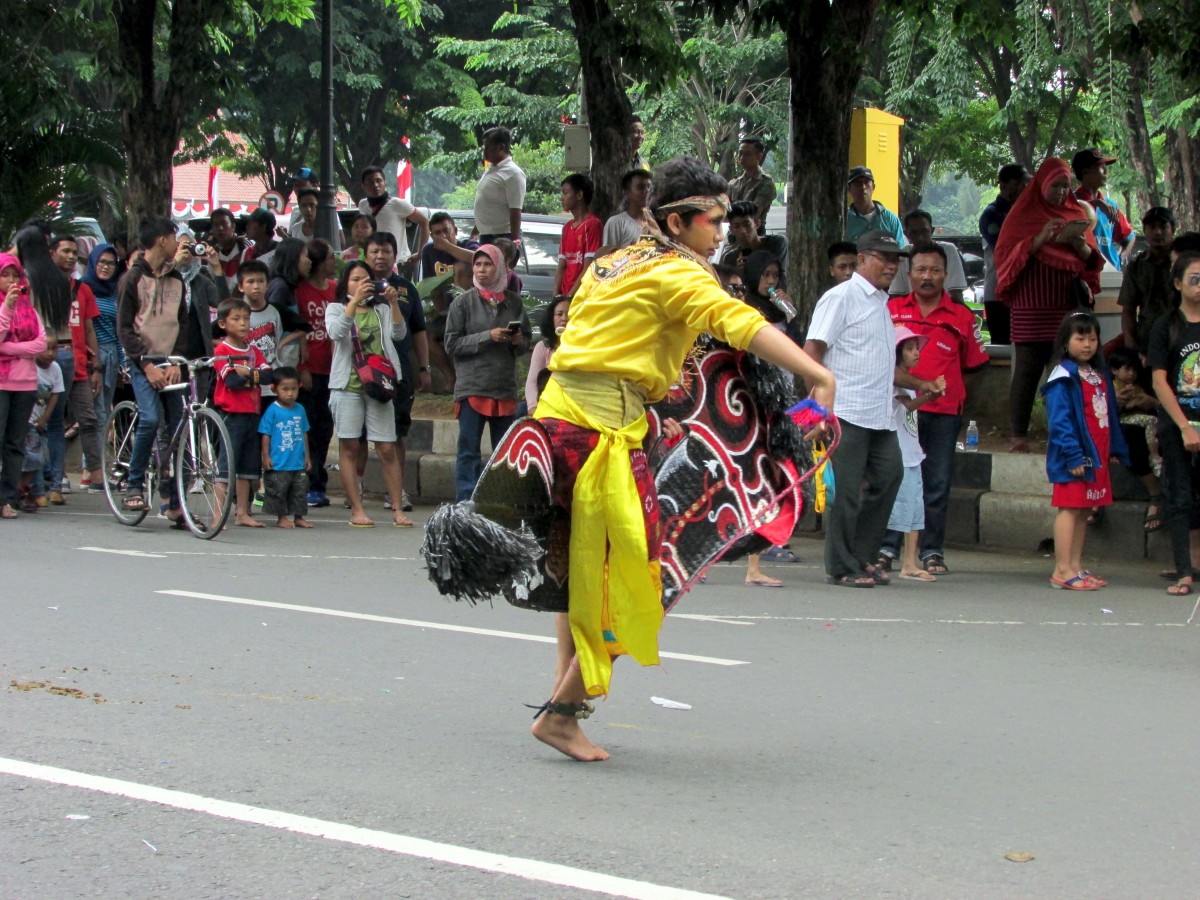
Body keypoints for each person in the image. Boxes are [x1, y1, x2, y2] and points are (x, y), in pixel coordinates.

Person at [527, 156, 834, 761]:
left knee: (578, 573)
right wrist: (816, 373)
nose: (722, 232)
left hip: (562, 422)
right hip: (600, 436)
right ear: (676, 220)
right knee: (647, 578)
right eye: (713, 220)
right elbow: (739, 324)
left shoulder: (611, 263)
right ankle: (563, 712)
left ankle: (563, 702)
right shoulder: (675, 273)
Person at [804, 230, 914, 588]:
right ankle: (842, 564)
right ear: (863, 258)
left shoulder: (881, 302)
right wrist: (816, 411)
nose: (892, 266)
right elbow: (812, 353)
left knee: (891, 475)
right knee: (846, 491)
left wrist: (919, 383)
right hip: (845, 411)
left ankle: (864, 556)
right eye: (885, 258)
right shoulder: (842, 297)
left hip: (879, 413)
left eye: (896, 260)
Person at [882, 243, 987, 576]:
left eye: (935, 270)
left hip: (943, 412)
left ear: (946, 274)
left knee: (936, 482)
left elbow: (975, 364)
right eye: (921, 270)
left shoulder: (964, 317)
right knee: (893, 478)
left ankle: (931, 551)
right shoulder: (889, 309)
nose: (927, 277)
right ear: (909, 273)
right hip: (898, 412)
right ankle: (887, 547)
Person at [994, 157, 1104, 453]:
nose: (1059, 192)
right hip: (1029, 306)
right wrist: (1039, 239)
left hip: (1065, 307)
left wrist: (1077, 242)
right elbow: (1004, 257)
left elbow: (1092, 260)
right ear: (1041, 185)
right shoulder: (1020, 216)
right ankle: (1018, 435)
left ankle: (1064, 434)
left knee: (1065, 373)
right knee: (1026, 373)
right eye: (1054, 186)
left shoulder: (1075, 212)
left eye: (1065, 186)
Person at [1041, 311, 1128, 591]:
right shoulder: (1063, 376)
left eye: (1092, 338)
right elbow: (1059, 420)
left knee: (1082, 510)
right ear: (1066, 342)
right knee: (1069, 509)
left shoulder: (1096, 374)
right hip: (1074, 456)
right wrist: (1072, 453)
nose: (1088, 344)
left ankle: (1075, 566)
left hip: (1096, 453)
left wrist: (1113, 448)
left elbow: (1108, 415)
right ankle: (1062, 569)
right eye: (1080, 338)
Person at [324, 259, 409, 527]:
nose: (361, 284)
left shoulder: (381, 309)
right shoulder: (336, 308)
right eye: (354, 279)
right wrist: (354, 303)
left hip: (378, 385)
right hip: (346, 385)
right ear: (344, 284)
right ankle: (357, 509)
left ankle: (397, 509)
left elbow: (399, 333)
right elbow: (336, 333)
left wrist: (394, 303)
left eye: (365, 279)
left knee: (386, 447)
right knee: (349, 446)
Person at [115, 215, 189, 521]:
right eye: (174, 237)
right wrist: (145, 364)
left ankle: (174, 498)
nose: (177, 243)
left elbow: (183, 324)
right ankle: (134, 486)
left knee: (178, 426)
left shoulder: (177, 279)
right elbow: (124, 329)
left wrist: (176, 361)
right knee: (150, 419)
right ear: (162, 240)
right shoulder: (132, 280)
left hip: (169, 363)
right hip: (142, 361)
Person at [444, 245, 531, 501]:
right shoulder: (463, 303)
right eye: (478, 265)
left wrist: (517, 341)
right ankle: (465, 502)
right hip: (473, 386)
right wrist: (487, 336)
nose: (482, 270)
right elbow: (451, 344)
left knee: (503, 451)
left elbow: (525, 341)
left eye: (488, 264)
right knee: (469, 449)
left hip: (503, 387)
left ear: (500, 267)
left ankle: (500, 500)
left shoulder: (513, 302)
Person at [365, 231, 429, 515]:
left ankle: (396, 491)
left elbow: (418, 332)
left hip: (398, 373)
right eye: (375, 251)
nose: (380, 256)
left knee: (398, 433)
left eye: (386, 251)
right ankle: (354, 488)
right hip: (361, 373)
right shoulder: (356, 285)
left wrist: (424, 368)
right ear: (366, 254)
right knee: (354, 437)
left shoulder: (406, 290)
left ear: (394, 255)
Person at [1148, 252, 1200, 597]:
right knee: (1179, 496)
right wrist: (1184, 426)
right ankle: (1184, 570)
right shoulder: (1166, 326)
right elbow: (1159, 381)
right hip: (1179, 424)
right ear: (1178, 283)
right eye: (1194, 278)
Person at [886, 325, 943, 582]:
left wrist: (928, 396)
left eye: (916, 348)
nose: (916, 353)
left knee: (915, 509)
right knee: (903, 506)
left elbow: (910, 406)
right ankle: (904, 560)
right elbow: (908, 405)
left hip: (912, 453)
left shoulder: (909, 383)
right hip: (901, 454)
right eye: (909, 349)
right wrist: (928, 393)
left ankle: (909, 560)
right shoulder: (895, 381)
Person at [212, 297, 273, 529]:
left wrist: (246, 371)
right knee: (226, 465)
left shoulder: (254, 350)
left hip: (252, 412)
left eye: (246, 318)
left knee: (248, 467)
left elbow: (269, 376)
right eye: (236, 318)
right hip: (231, 414)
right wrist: (252, 373)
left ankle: (242, 512)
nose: (242, 323)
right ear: (223, 324)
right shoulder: (222, 350)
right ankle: (218, 513)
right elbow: (232, 380)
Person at [0, 253, 48, 519]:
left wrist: (9, 348)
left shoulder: (29, 307)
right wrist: (6, 307)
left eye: (14, 275)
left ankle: (8, 499)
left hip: (25, 383)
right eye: (5, 275)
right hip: (2, 382)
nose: (10, 281)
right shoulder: (6, 305)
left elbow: (41, 344)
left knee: (15, 443)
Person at [295, 239, 337, 508]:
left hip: (334, 370)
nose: (336, 261)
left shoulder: (335, 289)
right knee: (307, 427)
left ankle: (318, 480)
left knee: (325, 428)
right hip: (310, 370)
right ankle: (309, 483)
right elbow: (296, 332)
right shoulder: (300, 291)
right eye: (331, 257)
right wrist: (302, 369)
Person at [420, 211, 480, 393]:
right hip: (445, 310)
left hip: (471, 309)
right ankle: (450, 378)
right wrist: (438, 312)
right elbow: (432, 285)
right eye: (437, 233)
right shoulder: (429, 252)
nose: (443, 236)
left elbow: (479, 257)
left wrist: (447, 247)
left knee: (460, 267)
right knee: (427, 337)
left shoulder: (468, 245)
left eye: (446, 231)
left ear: (455, 230)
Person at [1109, 346, 1162, 533]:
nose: (1131, 374)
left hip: (1150, 429)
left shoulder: (1146, 382)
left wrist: (1151, 402)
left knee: (1150, 425)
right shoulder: (1110, 386)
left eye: (1134, 369)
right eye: (1127, 369)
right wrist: (1116, 403)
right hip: (1123, 429)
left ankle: (1156, 494)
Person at [979, 164, 1031, 346]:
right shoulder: (992, 215)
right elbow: (1005, 250)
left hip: (1025, 291)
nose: (1024, 188)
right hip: (998, 292)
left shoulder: (1028, 211)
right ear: (1003, 185)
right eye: (1020, 183)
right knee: (1003, 347)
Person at [175, 234, 228, 403]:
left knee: (197, 407)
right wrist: (174, 264)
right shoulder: (162, 279)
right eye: (182, 246)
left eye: (190, 246)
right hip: (171, 355)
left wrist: (216, 266)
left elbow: (224, 304)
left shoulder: (200, 281)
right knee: (175, 410)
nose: (187, 251)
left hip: (198, 355)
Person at [259, 365, 313, 529]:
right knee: (279, 490)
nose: (290, 393)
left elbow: (304, 433)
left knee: (300, 490)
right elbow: (265, 435)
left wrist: (307, 456)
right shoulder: (272, 410)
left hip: (297, 460)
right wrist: (266, 456)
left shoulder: (300, 409)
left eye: (294, 389)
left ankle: (299, 516)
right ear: (274, 389)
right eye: (285, 389)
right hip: (279, 461)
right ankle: (281, 517)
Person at [1120, 207, 1177, 357]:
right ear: (1145, 230)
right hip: (1147, 340)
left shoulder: (1184, 263)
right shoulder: (1137, 265)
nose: (1158, 232)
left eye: (1163, 226)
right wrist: (1131, 347)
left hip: (1181, 337)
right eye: (1152, 227)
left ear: (1173, 229)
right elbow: (1128, 310)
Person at [80, 244, 123, 440]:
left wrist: (123, 361)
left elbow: (119, 330)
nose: (106, 267)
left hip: (112, 354)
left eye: (111, 263)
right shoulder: (82, 288)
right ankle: (93, 466)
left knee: (105, 408)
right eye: (102, 262)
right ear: (93, 262)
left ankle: (98, 463)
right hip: (91, 355)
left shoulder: (115, 291)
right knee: (94, 412)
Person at [1072, 149, 1135, 271]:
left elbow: (1129, 236)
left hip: (1110, 275)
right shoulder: (1070, 202)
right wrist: (1095, 204)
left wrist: (1123, 255)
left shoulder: (1111, 205)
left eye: (1106, 166)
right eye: (1100, 166)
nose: (1106, 171)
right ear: (1085, 172)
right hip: (1081, 275)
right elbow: (1070, 216)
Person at [358, 166, 429, 274]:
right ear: (363, 186)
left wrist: (420, 253)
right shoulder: (363, 205)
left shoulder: (398, 204)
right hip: (372, 264)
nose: (375, 185)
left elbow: (424, 221)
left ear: (384, 183)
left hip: (398, 264)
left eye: (378, 181)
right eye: (370, 182)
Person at [888, 209, 968, 303]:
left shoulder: (948, 250)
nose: (920, 237)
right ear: (907, 235)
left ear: (932, 231)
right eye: (914, 233)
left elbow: (956, 293)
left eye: (924, 231)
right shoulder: (903, 254)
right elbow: (896, 295)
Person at [20, 341, 61, 512]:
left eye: (54, 348)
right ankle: (31, 492)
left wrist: (44, 419)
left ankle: (24, 490)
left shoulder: (56, 369)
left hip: (39, 422)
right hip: (25, 420)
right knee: (31, 458)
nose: (50, 353)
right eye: (46, 348)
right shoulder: (27, 365)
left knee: (37, 459)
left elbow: (55, 395)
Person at [473, 127, 526, 245]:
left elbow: (515, 210)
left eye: (487, 147)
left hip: (501, 237)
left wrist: (513, 242)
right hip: (485, 236)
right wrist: (475, 232)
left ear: (501, 147)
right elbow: (487, 203)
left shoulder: (513, 173)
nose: (484, 151)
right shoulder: (491, 169)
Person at [554, 174, 602, 297]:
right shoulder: (567, 228)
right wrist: (555, 296)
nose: (562, 198)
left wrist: (570, 296)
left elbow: (589, 267)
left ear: (579, 195)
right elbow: (562, 266)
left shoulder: (593, 224)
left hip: (581, 296)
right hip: (565, 295)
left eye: (565, 193)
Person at [525, 295, 569, 415]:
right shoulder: (543, 347)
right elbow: (532, 382)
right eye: (559, 314)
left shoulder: (582, 348)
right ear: (552, 318)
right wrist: (533, 407)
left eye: (569, 314)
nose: (564, 319)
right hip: (544, 406)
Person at [844, 166, 905, 246]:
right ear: (849, 189)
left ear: (873, 187)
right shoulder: (845, 220)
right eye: (857, 183)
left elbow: (901, 251)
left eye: (866, 182)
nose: (863, 187)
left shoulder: (890, 220)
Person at [719, 201, 788, 272]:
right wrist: (739, 273)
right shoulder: (730, 259)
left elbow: (779, 278)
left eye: (747, 224)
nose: (743, 231)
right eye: (736, 226)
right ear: (731, 230)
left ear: (757, 224)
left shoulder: (776, 243)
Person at [728, 138, 775, 233]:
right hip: (734, 233)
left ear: (759, 156)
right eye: (740, 153)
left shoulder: (766, 183)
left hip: (754, 234)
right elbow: (725, 210)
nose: (742, 157)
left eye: (748, 154)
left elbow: (754, 213)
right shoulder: (734, 183)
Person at [602, 169, 653, 249]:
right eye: (640, 187)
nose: (647, 191)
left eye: (649, 187)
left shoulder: (659, 222)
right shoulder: (616, 223)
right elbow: (606, 258)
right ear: (627, 192)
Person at [209, 208, 248, 292]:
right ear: (212, 229)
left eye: (224, 223)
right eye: (216, 225)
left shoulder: (245, 246)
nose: (220, 228)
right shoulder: (212, 252)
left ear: (233, 226)